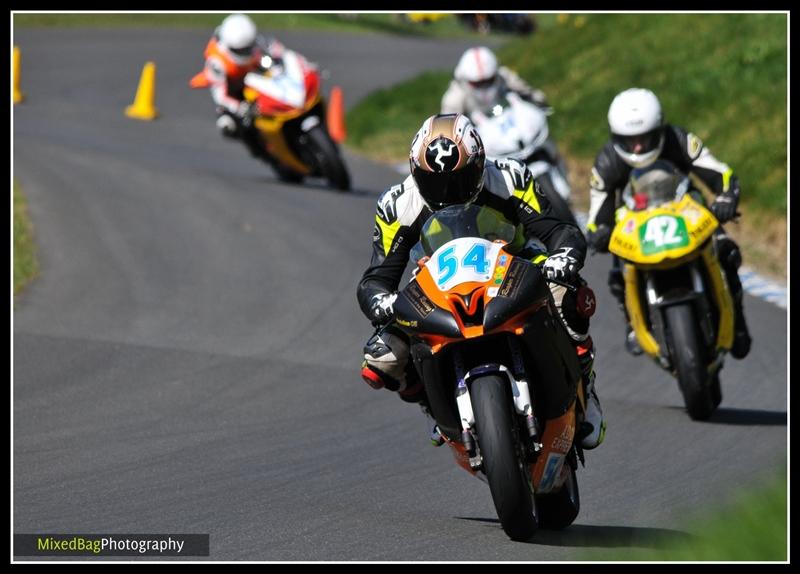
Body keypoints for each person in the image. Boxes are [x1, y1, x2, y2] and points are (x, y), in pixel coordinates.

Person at [356, 113, 606, 450]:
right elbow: (377, 278)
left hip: (512, 268)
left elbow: (557, 228)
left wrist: (563, 256)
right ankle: (433, 406)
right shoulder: (396, 205)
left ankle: (585, 387)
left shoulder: (510, 178)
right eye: (436, 184)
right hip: (439, 285)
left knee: (567, 291)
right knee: (382, 358)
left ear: (479, 163)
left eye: (459, 180)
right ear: (416, 175)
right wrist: (381, 302)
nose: (449, 193)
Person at [585, 88, 751, 359]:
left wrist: (726, 197)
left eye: (644, 138)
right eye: (629, 141)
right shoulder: (606, 162)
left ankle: (738, 319)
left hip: (686, 210)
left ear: (659, 130)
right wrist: (599, 233)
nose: (637, 147)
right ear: (616, 138)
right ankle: (632, 323)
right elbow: (597, 210)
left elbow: (719, 172)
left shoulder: (680, 140)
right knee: (617, 272)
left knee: (727, 252)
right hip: (635, 221)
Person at [199, 13, 290, 159]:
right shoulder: (217, 62)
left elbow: (275, 48)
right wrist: (239, 107)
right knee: (227, 125)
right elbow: (220, 95)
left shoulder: (252, 41)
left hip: (256, 80)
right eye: (241, 51)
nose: (247, 52)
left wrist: (282, 60)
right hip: (234, 92)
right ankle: (257, 147)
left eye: (248, 48)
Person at [441, 46, 550, 117]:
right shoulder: (454, 97)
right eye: (477, 83)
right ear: (465, 79)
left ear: (495, 73)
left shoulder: (504, 76)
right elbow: (449, 130)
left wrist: (540, 103)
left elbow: (529, 93)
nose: (484, 87)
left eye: (489, 81)